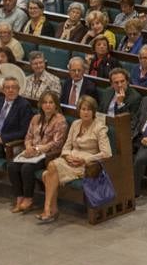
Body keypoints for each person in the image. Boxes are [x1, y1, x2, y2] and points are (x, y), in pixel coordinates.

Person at [35, 95, 110, 225]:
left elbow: (106, 153)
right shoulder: (75, 124)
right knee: (52, 166)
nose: (85, 112)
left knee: (48, 173)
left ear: (93, 112)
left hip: (86, 165)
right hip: (69, 160)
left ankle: (49, 210)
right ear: (79, 111)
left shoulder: (100, 128)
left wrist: (85, 160)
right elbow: (66, 146)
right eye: (82, 109)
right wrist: (67, 156)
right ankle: (50, 209)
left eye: (88, 110)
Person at [6, 90, 67, 213]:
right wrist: (28, 147)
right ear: (41, 104)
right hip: (30, 152)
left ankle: (29, 199)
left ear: (56, 105)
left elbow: (57, 143)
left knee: (26, 168)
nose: (48, 105)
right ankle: (19, 197)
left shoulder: (60, 121)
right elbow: (28, 136)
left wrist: (37, 149)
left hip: (48, 155)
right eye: (45, 102)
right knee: (12, 166)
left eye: (51, 102)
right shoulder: (36, 118)